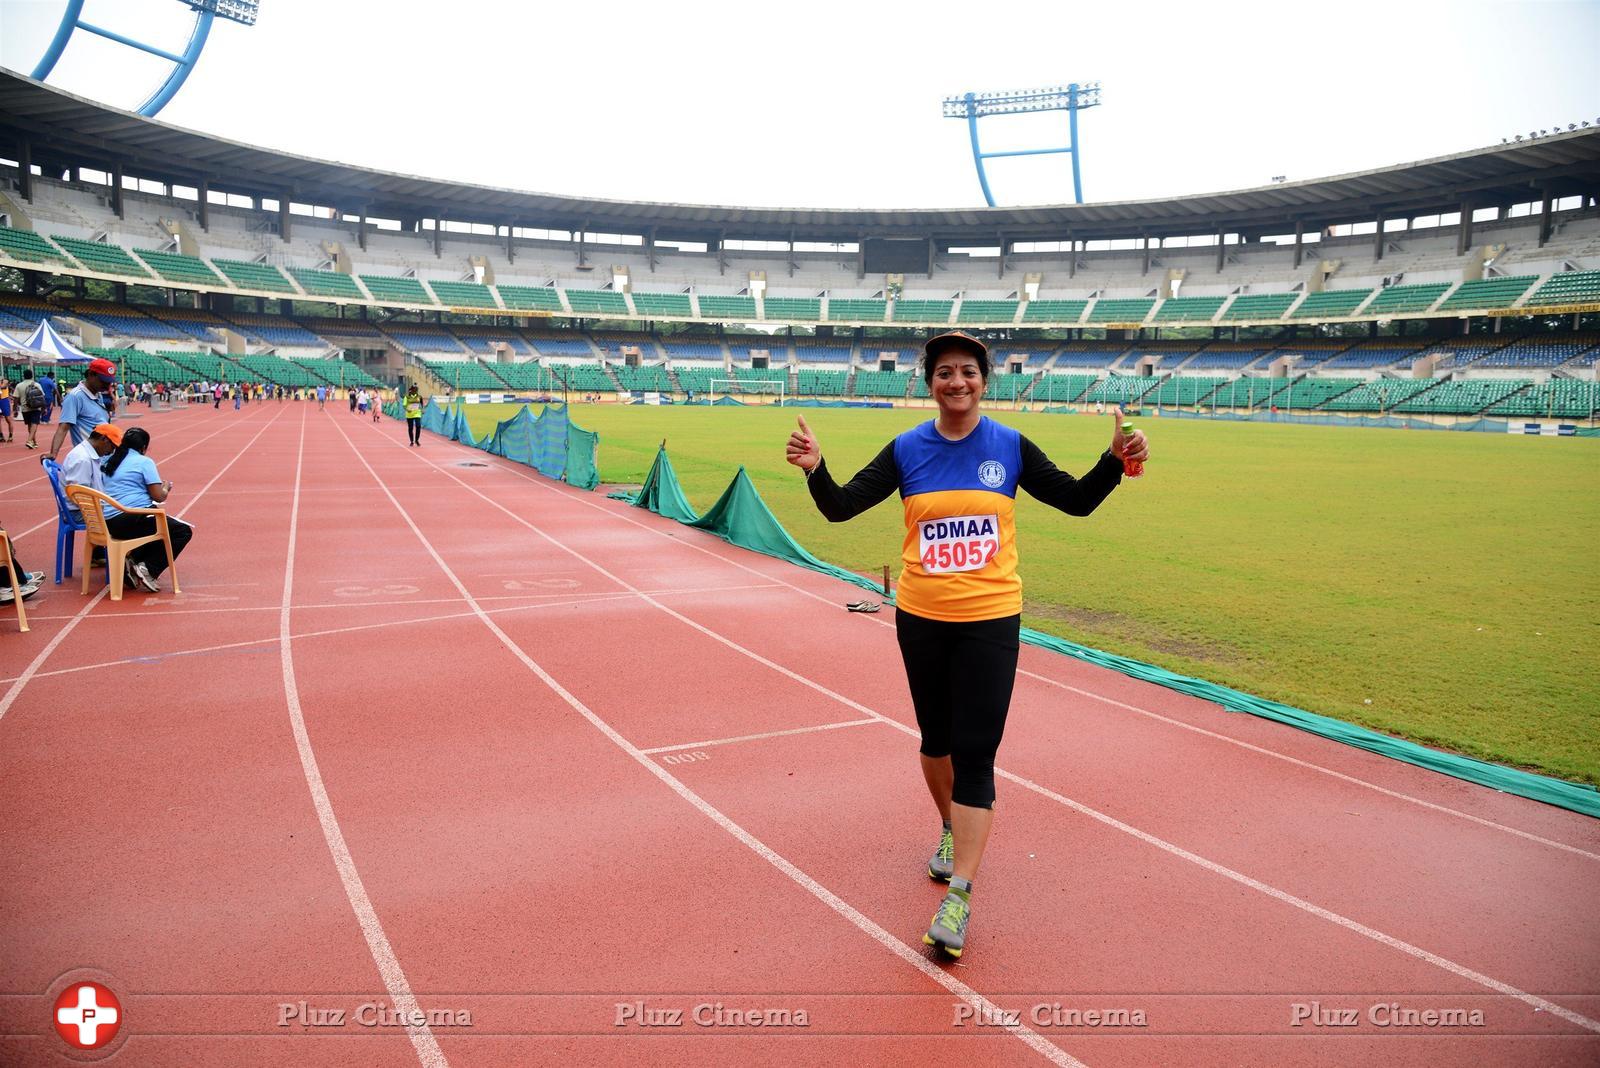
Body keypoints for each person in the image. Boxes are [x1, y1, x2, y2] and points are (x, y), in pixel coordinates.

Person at [785, 330, 1148, 960]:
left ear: (985, 381)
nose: (958, 382)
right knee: (936, 743)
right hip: (921, 618)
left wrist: (1115, 460)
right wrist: (817, 470)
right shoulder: (906, 450)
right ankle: (951, 828)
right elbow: (841, 508)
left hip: (990, 619)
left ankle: (960, 893)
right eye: (945, 373)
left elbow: (1076, 500)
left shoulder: (1008, 446)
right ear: (930, 383)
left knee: (977, 755)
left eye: (969, 372)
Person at [99, 427, 192, 593]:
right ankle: (148, 568)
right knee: (181, 531)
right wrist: (166, 487)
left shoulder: (108, 460)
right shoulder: (144, 462)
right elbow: (159, 496)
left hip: (108, 521)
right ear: (143, 448)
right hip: (131, 519)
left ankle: (133, 561)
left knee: (159, 521)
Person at [16, 367, 48, 450]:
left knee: (30, 425)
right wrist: (44, 408)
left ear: (23, 376)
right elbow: (42, 397)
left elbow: (16, 399)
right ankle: (29, 440)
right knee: (34, 424)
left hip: (25, 408)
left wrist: (15, 410)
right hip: (36, 407)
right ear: (32, 376)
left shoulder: (19, 385)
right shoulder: (37, 384)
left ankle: (34, 442)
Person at [0, 375, 12, 442]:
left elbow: (3, 387)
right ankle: (1, 435)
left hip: (4, 400)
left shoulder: (5, 381)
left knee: (8, 419)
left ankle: (10, 435)